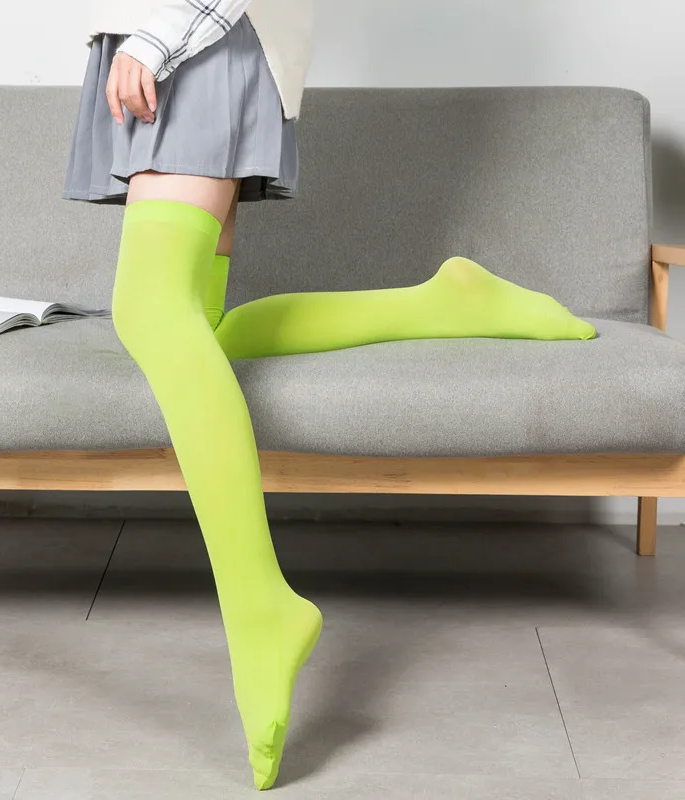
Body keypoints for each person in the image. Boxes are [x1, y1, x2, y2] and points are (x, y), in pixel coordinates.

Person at [62, 1, 596, 790]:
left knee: (151, 313)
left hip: (191, 43)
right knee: (199, 329)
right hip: (177, 43)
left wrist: (156, 37)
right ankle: (445, 303)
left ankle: (261, 607)